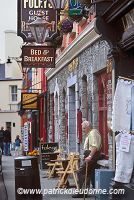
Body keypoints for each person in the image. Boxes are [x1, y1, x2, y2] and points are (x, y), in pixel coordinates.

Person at [72, 120, 101, 198]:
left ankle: (81, 192)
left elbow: (94, 146)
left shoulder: (92, 133)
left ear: (88, 127)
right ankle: (84, 192)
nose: (83, 130)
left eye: (84, 128)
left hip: (92, 155)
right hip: (92, 154)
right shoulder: (92, 133)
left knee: (81, 172)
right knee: (87, 173)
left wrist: (90, 156)